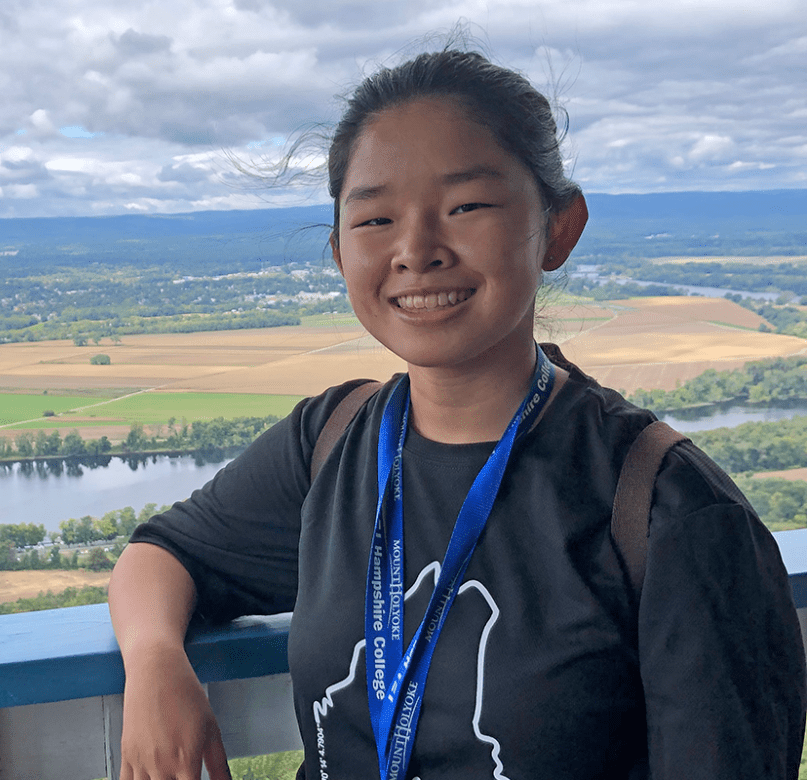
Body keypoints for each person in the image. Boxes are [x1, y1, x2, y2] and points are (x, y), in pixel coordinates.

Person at [108, 48, 806, 780]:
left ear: (559, 228)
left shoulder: (669, 513)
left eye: (466, 206)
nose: (415, 251)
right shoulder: (334, 442)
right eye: (374, 218)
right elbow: (163, 554)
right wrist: (157, 667)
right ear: (341, 255)